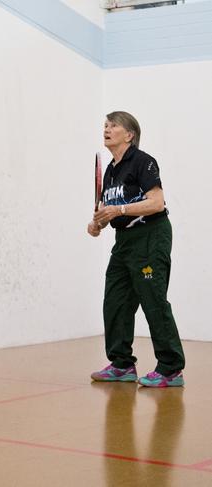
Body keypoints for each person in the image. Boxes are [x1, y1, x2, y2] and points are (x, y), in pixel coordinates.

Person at [88, 111, 184, 388]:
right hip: (124, 242)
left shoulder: (143, 162)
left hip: (150, 236)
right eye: (105, 125)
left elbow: (156, 202)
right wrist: (97, 224)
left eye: (113, 125)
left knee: (153, 300)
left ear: (129, 134)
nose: (106, 129)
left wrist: (118, 209)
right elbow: (112, 211)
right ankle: (121, 365)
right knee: (115, 301)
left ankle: (171, 369)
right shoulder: (111, 170)